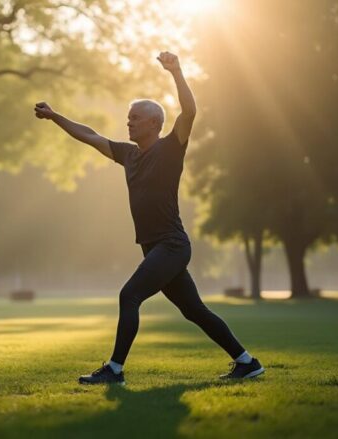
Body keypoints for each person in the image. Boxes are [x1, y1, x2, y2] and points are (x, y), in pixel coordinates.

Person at [33, 52, 264, 384]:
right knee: (194, 310)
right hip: (154, 246)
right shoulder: (128, 155)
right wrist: (56, 116)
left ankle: (114, 369)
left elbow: (190, 112)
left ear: (155, 123)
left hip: (171, 245)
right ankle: (247, 362)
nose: (129, 122)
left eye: (136, 117)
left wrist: (177, 72)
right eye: (128, 117)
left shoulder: (171, 148)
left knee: (129, 296)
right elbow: (90, 135)